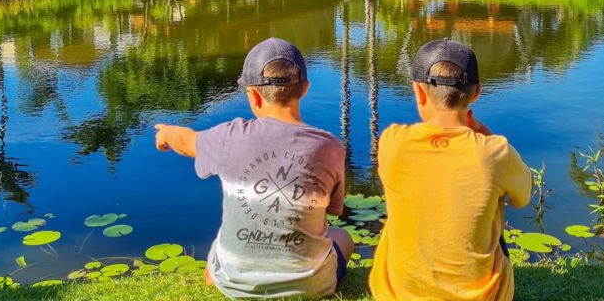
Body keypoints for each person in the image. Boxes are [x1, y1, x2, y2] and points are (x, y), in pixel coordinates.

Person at [154, 37, 352, 299]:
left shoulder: (228, 136)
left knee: (222, 237)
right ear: (305, 89)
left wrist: (166, 133)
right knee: (343, 237)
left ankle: (218, 273)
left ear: (254, 95)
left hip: (234, 282)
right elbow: (333, 210)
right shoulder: (330, 147)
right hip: (310, 287)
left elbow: (186, 141)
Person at [369, 38, 532, 301]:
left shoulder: (392, 142)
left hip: (398, 295)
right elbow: (522, 197)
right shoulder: (495, 152)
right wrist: (483, 132)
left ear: (419, 92)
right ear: (476, 92)